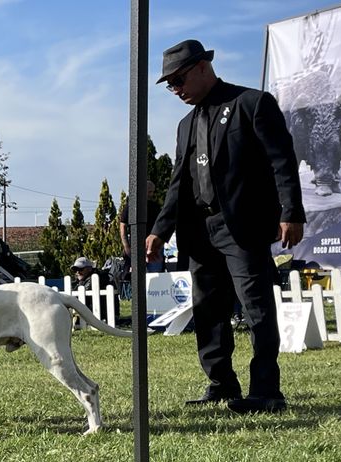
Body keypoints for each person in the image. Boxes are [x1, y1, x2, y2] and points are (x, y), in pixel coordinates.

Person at [146, 39, 305, 415]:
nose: (175, 89)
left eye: (179, 79)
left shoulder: (252, 103)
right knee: (207, 310)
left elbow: (283, 161)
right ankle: (220, 383)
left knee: (256, 309)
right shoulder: (185, 125)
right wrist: (159, 230)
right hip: (199, 231)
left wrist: (291, 212)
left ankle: (267, 390)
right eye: (169, 84)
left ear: (203, 67)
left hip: (243, 226)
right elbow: (178, 184)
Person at [120, 180, 165, 272]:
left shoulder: (155, 207)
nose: (151, 194)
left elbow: (162, 226)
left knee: (155, 274)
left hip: (153, 246)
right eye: (149, 192)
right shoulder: (131, 206)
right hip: (136, 246)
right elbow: (122, 225)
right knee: (136, 275)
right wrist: (126, 246)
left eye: (152, 192)